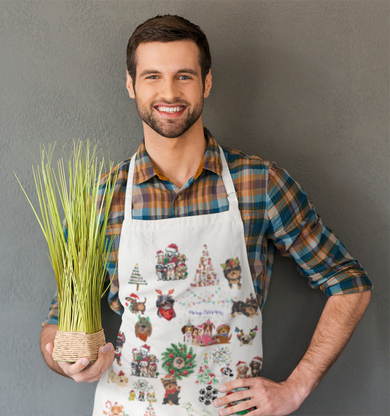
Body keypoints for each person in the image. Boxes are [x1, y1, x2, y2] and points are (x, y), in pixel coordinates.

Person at [40, 15, 372, 416]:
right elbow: (59, 321)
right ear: (131, 86)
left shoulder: (259, 183)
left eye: (184, 76)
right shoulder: (102, 198)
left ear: (206, 82)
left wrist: (296, 388)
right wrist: (66, 360)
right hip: (125, 405)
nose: (169, 91)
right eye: (152, 77)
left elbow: (349, 283)